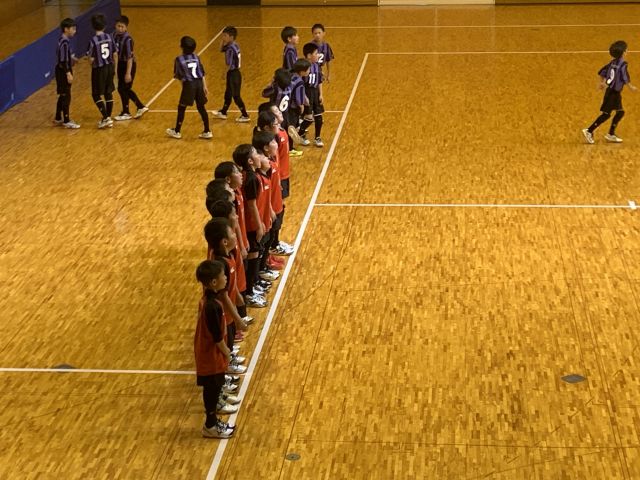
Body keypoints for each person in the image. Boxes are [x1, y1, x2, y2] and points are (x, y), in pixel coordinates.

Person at [194, 259, 236, 438]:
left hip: (209, 353)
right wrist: (227, 352)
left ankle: (212, 421)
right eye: (223, 276)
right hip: (210, 355)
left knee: (215, 386)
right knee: (212, 389)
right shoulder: (212, 306)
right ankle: (210, 425)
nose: (226, 278)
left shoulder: (210, 300)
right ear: (213, 282)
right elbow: (216, 336)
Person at [582, 40, 637, 144]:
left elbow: (602, 71)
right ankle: (589, 131)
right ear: (623, 53)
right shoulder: (623, 64)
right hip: (613, 94)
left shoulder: (612, 63)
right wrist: (631, 87)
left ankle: (611, 134)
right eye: (626, 50)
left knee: (620, 112)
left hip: (612, 92)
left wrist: (602, 82)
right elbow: (624, 76)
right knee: (606, 114)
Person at [166, 36, 212, 140]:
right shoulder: (196, 57)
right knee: (201, 107)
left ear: (181, 47)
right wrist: (204, 86)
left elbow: (179, 76)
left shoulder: (179, 59)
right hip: (199, 83)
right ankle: (207, 131)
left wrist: (185, 88)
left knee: (181, 107)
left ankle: (177, 131)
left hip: (189, 85)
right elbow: (201, 73)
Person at [113, 15, 148, 121]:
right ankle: (135, 108)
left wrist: (128, 73)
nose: (120, 28)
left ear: (126, 27)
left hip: (128, 65)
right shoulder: (114, 35)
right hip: (120, 64)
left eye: (122, 27)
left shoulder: (127, 40)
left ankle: (130, 110)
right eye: (118, 26)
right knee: (122, 88)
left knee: (124, 88)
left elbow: (129, 58)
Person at [212, 26, 250, 123]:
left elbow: (228, 64)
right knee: (228, 93)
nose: (223, 38)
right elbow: (221, 49)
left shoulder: (230, 49)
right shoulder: (234, 45)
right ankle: (223, 112)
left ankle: (245, 115)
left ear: (231, 37)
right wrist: (223, 40)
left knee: (236, 96)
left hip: (233, 74)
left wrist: (224, 73)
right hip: (234, 73)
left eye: (225, 36)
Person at [87, 13, 116, 129]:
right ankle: (108, 117)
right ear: (105, 25)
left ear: (93, 26)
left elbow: (91, 58)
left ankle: (106, 117)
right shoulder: (109, 37)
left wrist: (91, 64)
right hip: (110, 67)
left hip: (99, 69)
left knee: (96, 94)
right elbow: (114, 53)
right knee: (108, 92)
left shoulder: (93, 41)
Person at [54, 18, 80, 129]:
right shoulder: (64, 43)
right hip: (63, 71)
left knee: (63, 94)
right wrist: (68, 73)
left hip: (61, 70)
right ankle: (66, 120)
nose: (75, 31)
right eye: (73, 29)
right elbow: (63, 61)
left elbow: (64, 56)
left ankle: (58, 117)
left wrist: (72, 58)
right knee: (66, 96)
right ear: (66, 29)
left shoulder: (62, 40)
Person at [299, 43, 324, 147]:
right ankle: (300, 133)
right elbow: (300, 84)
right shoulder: (303, 67)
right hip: (307, 92)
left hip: (315, 92)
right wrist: (303, 97)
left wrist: (321, 94)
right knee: (309, 118)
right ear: (309, 55)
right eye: (316, 53)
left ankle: (317, 137)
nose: (318, 55)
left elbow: (319, 81)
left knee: (319, 117)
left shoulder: (317, 66)